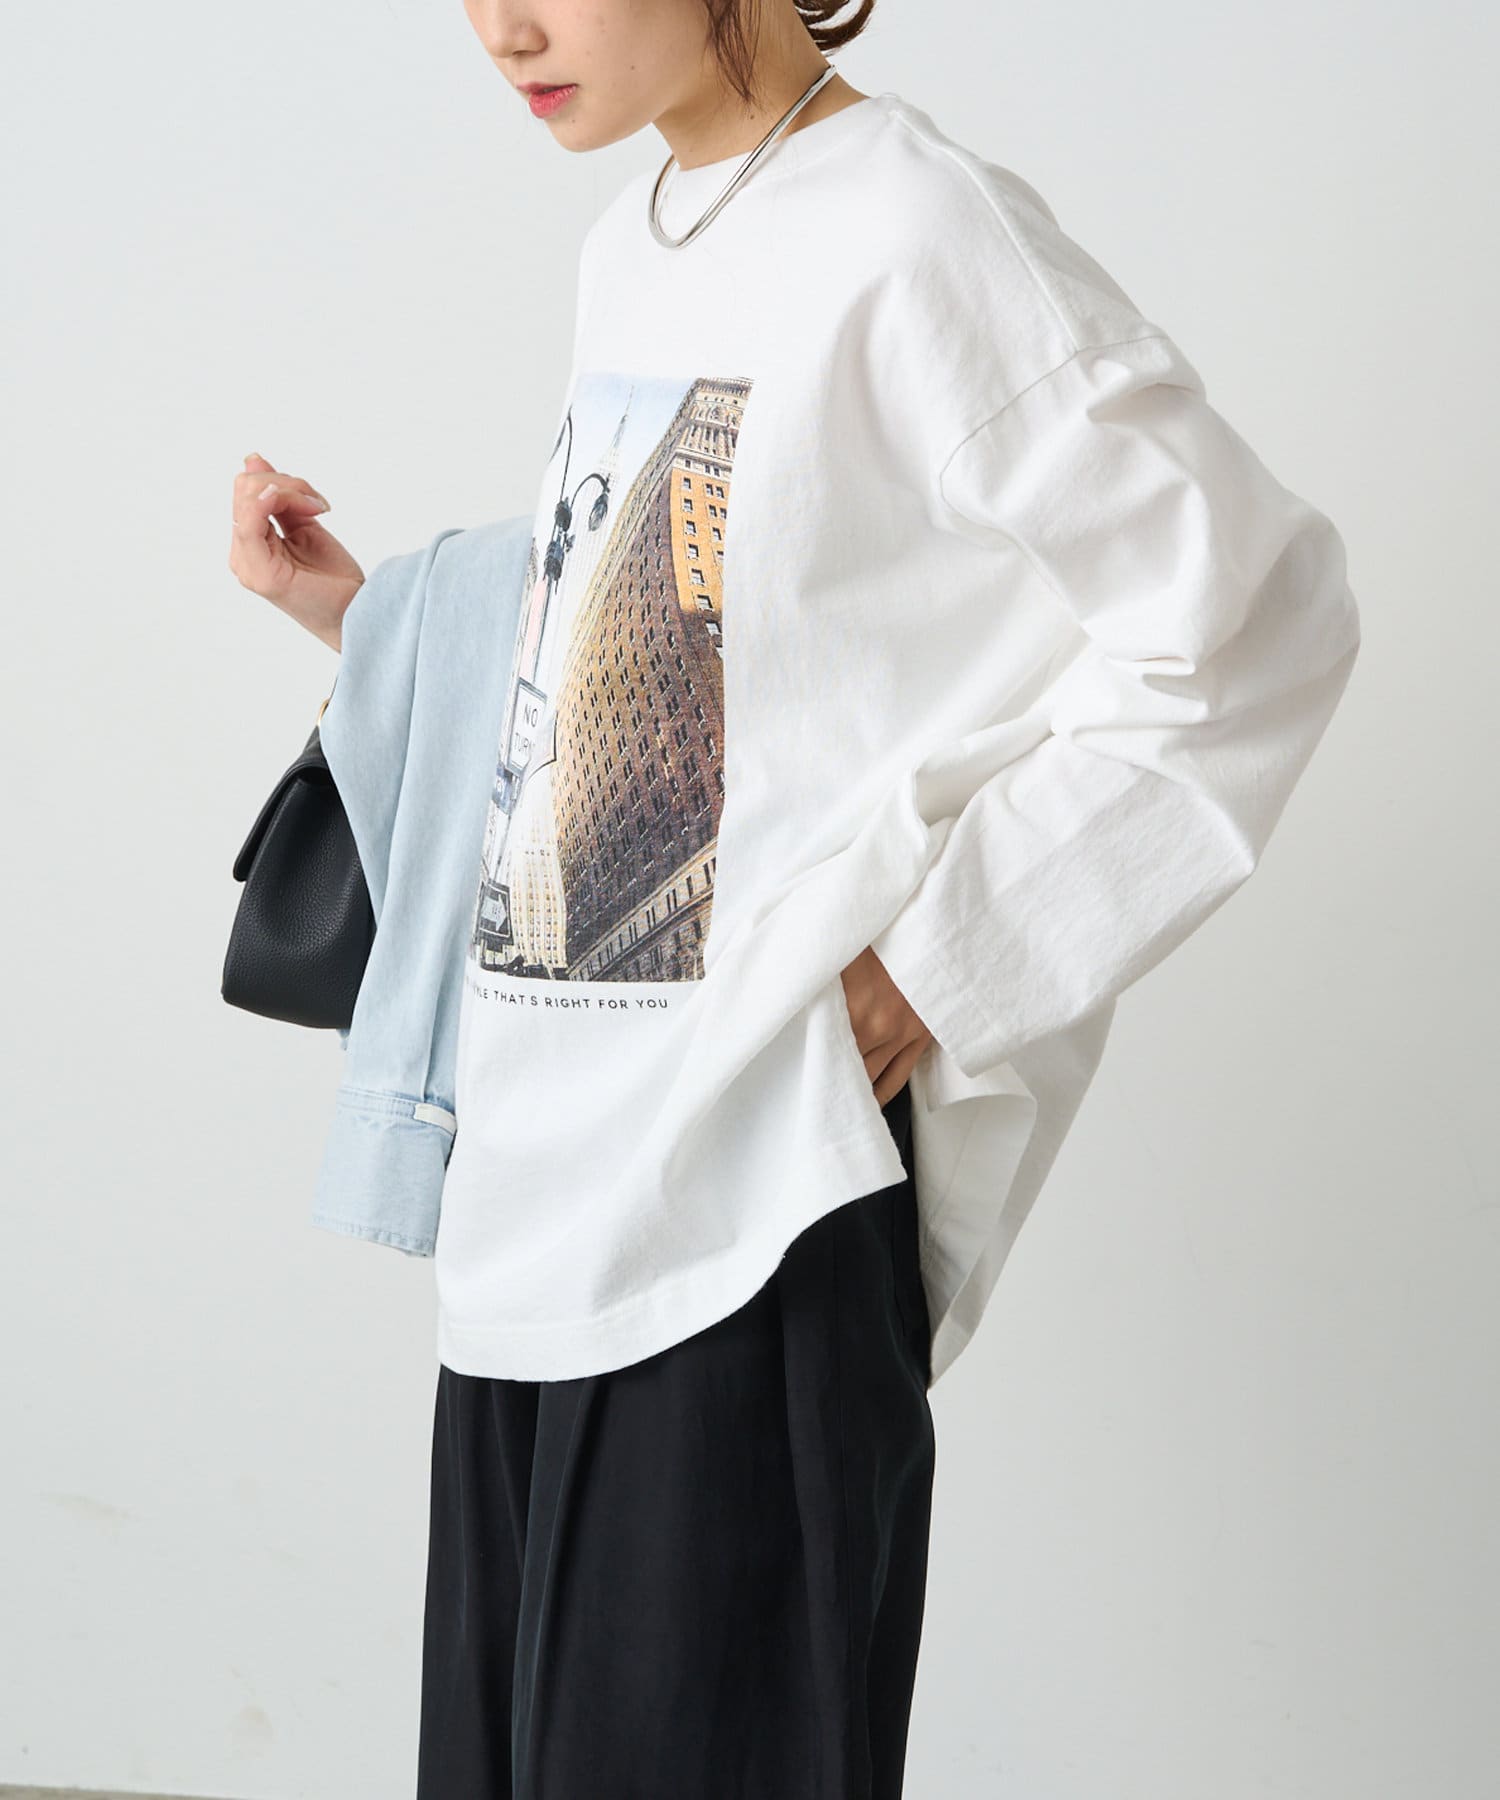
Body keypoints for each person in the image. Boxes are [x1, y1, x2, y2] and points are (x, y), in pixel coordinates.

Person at [226, 1, 1361, 1793]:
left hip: (750, 1215)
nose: (503, 26)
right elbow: (702, 669)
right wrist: (368, 626)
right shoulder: (636, 243)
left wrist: (942, 968)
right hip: (544, 1206)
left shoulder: (917, 230)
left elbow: (1258, 625)